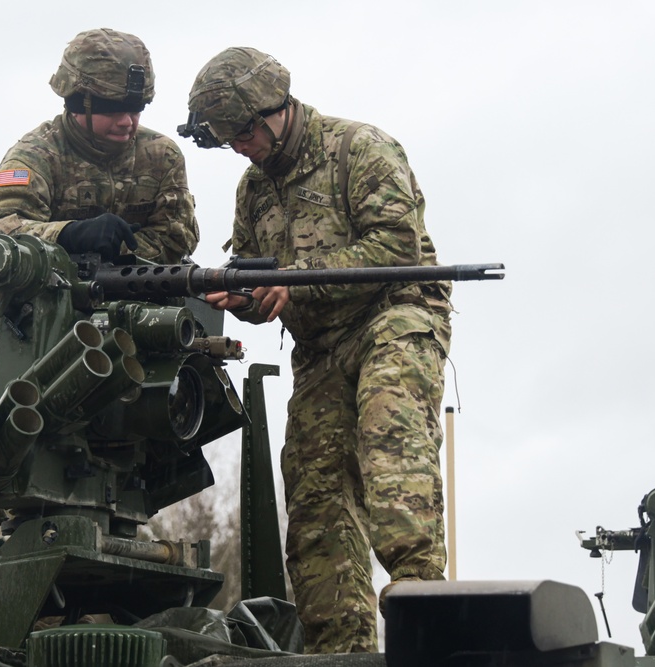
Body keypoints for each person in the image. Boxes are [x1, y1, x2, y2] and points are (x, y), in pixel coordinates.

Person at [179, 47, 451, 653]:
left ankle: (430, 634)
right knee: (313, 495)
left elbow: (395, 247)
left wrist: (297, 274)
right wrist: (243, 298)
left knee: (390, 458)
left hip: (396, 315)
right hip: (321, 346)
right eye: (229, 140)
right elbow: (264, 287)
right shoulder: (253, 192)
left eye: (245, 132)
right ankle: (338, 652)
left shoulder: (359, 148)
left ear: (275, 110)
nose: (241, 147)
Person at [0, 28, 199, 568]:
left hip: (117, 307)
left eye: (136, 107)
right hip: (29, 313)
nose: (128, 120)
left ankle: (123, 515)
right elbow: (1, 226)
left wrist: (121, 260)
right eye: (113, 109)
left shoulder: (160, 157)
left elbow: (176, 236)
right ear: (78, 103)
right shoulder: (36, 152)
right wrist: (68, 236)